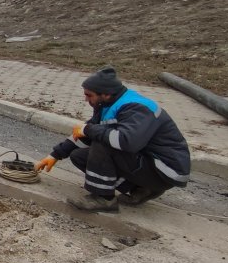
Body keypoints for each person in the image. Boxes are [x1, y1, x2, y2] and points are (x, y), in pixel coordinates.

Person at [35, 66, 191, 212]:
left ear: (106, 94)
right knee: (80, 156)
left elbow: (127, 142)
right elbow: (85, 135)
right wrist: (54, 155)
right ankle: (141, 189)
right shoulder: (109, 105)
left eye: (89, 95)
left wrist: (89, 130)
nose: (85, 99)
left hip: (165, 169)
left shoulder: (136, 108)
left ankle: (104, 199)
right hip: (149, 163)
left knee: (103, 142)